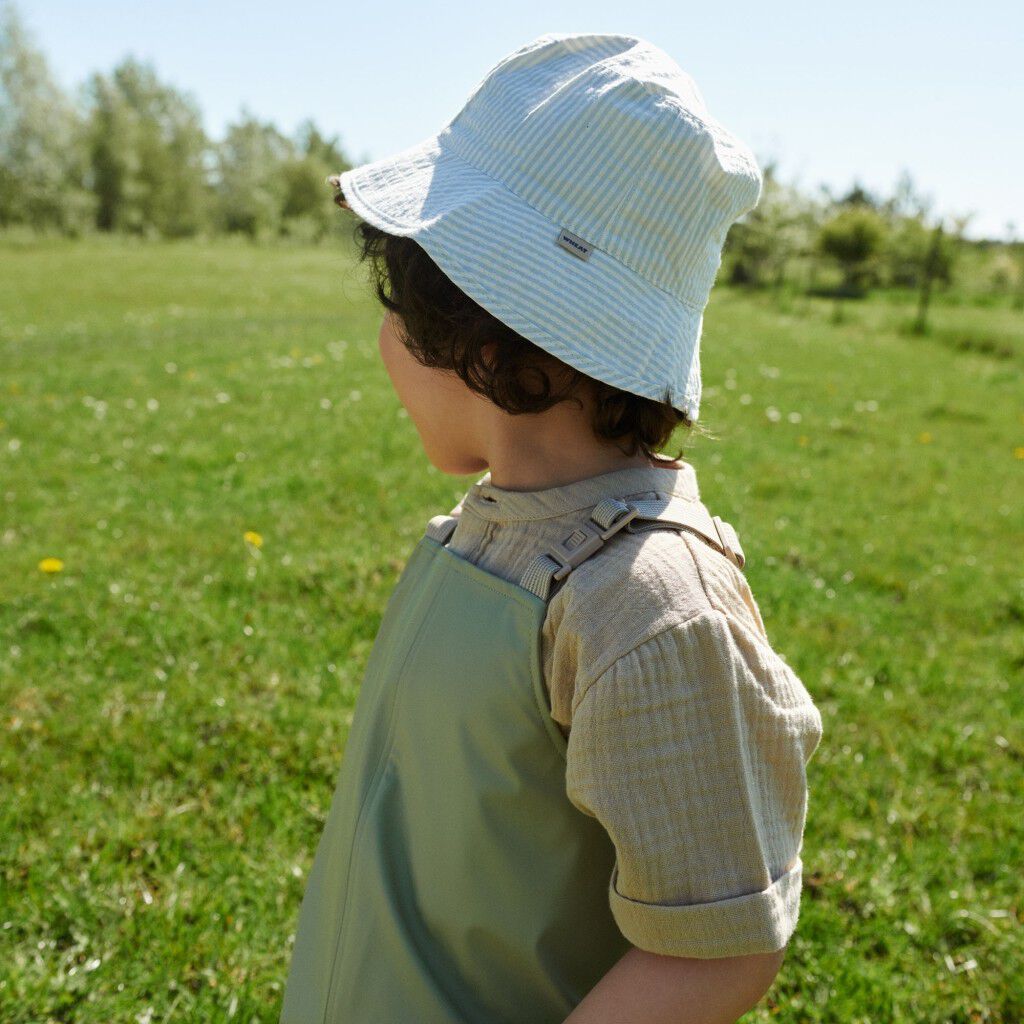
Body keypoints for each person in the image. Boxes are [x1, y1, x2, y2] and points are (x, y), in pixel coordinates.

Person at [280, 32, 824, 1024]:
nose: (380, 341)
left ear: (471, 333)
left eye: (395, 306)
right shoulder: (490, 530)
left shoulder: (646, 606)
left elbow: (717, 947)